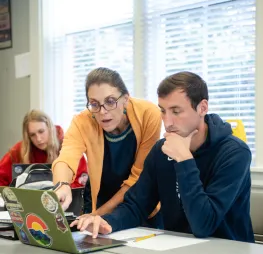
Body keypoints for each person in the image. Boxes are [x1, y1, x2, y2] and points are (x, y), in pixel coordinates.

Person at [71, 71, 254, 243]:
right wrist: (107, 222)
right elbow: (136, 206)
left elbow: (203, 225)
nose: (167, 122)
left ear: (202, 108)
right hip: (176, 252)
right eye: (163, 111)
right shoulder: (161, 151)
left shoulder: (235, 153)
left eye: (176, 111)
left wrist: (184, 160)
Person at [52, 67, 162, 223]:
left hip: (141, 206)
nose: (102, 111)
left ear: (125, 99)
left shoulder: (148, 114)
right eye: (94, 104)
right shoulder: (82, 121)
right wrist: (62, 185)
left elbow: (137, 179)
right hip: (102, 204)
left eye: (110, 101)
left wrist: (96, 215)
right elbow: (66, 159)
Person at [0, 110, 87, 188]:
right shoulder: (19, 151)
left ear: (50, 128)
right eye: (32, 135)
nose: (38, 139)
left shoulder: (68, 147)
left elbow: (81, 183)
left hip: (64, 201)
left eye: (41, 131)